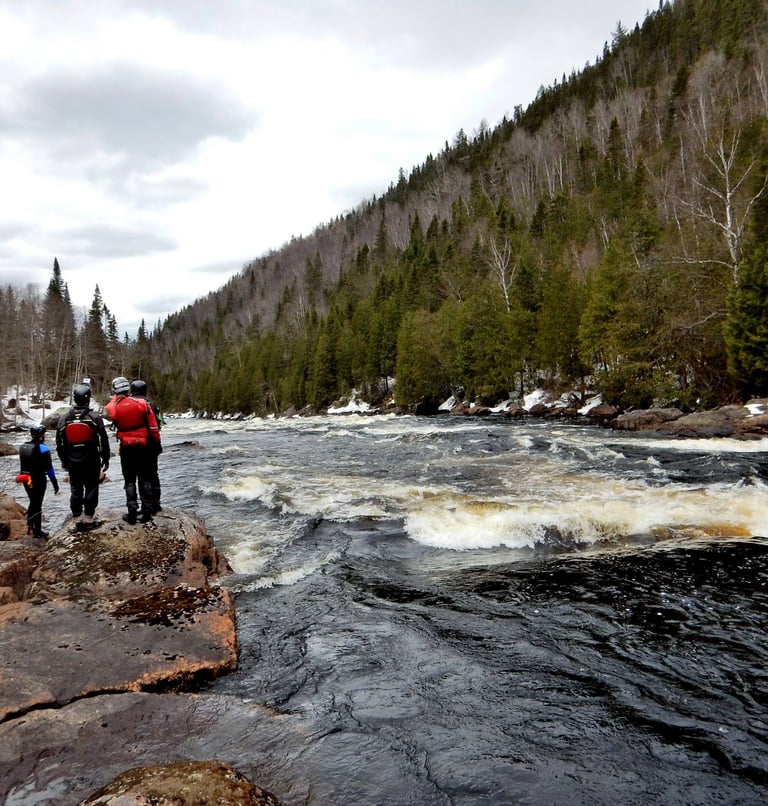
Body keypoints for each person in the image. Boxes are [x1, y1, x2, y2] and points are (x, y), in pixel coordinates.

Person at [105, 376, 161, 524]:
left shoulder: (113, 407)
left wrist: (116, 397)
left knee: (129, 481)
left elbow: (110, 411)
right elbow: (154, 428)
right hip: (143, 446)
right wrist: (156, 442)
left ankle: (131, 513)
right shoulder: (142, 403)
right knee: (145, 479)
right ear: (128, 389)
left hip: (126, 448)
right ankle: (147, 512)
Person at [56, 383, 111, 532]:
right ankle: (88, 519)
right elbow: (103, 439)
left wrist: (63, 460)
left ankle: (77, 517)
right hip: (91, 459)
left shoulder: (65, 417)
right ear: (88, 399)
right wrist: (106, 458)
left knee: (76, 488)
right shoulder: (94, 417)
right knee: (92, 487)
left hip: (72, 460)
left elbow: (59, 441)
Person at [17, 424, 60, 538]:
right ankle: (37, 531)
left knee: (33, 502)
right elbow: (49, 468)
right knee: (37, 504)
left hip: (25, 479)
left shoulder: (23, 446)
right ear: (41, 435)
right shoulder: (43, 448)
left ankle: (30, 526)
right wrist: (55, 483)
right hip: (38, 479)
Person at [129, 379, 162, 514]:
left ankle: (135, 506)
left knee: (133, 477)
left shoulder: (127, 405)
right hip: (150, 445)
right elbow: (158, 423)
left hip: (131, 446)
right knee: (152, 474)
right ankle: (154, 502)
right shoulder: (152, 405)